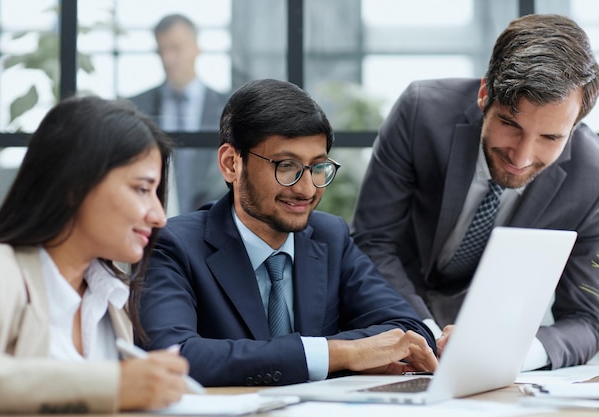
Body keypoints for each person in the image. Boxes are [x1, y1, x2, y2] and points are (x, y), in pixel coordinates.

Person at [138, 78, 438, 387]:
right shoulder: (173, 244)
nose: (306, 189)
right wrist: (338, 354)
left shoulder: (329, 236)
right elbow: (171, 355)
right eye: (286, 166)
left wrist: (348, 352)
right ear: (231, 164)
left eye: (318, 167)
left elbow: (408, 329)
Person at [351, 14, 599, 371]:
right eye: (511, 124)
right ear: (485, 93)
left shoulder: (590, 177)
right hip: (383, 324)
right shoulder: (421, 112)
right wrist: (425, 336)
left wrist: (515, 354)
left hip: (486, 361)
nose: (522, 156)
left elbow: (586, 319)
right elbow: (374, 242)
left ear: (574, 126)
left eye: (550, 137)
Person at [0, 96, 191, 413]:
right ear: (75, 185)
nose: (159, 216)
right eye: (142, 189)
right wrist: (112, 385)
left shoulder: (115, 303)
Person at [129, 13, 229, 215]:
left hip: (212, 220)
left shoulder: (227, 107)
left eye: (175, 48)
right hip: (152, 222)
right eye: (162, 50)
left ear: (196, 48)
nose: (168, 59)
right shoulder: (135, 107)